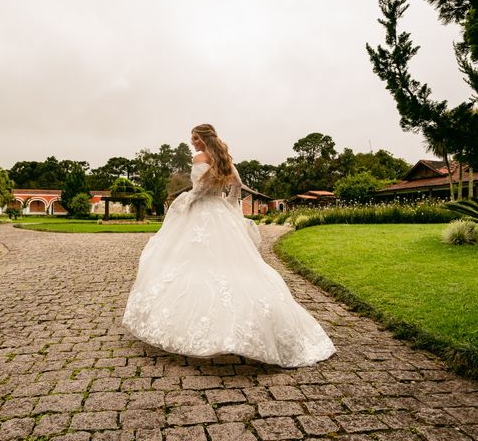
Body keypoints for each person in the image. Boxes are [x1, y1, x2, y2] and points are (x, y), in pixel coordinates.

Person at [122, 124, 335, 367]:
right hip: (220, 212)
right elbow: (238, 184)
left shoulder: (200, 157)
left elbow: (200, 189)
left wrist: (184, 203)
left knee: (191, 263)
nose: (192, 142)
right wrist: (231, 206)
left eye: (195, 138)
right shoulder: (224, 159)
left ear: (203, 138)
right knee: (233, 266)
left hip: (201, 212)